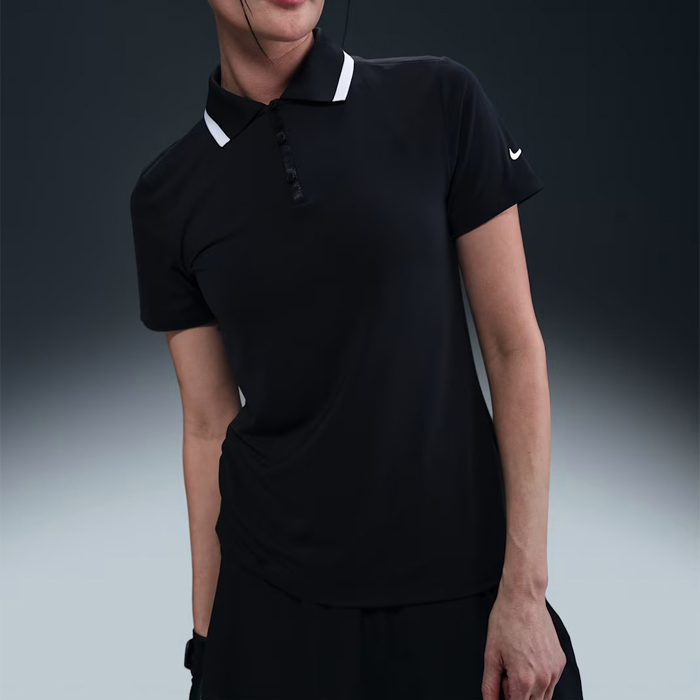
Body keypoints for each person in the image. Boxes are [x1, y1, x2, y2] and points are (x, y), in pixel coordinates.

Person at [130, 1, 586, 698]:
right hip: (274, 612)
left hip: (457, 591)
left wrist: (524, 592)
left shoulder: (439, 100)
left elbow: (512, 347)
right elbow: (207, 423)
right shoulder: (166, 195)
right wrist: (208, 642)